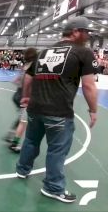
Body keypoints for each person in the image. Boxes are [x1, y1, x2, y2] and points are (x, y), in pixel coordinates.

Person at [16, 16, 98, 203]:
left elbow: (28, 78)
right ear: (76, 32)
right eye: (86, 32)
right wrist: (93, 109)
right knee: (57, 150)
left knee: (30, 140)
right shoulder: (83, 53)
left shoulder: (43, 52)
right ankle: (53, 187)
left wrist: (26, 96)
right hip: (59, 112)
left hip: (35, 109)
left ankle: (22, 169)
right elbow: (88, 86)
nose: (88, 36)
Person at [7, 48, 38, 153]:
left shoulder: (26, 66)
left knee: (22, 119)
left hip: (18, 94)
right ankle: (14, 141)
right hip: (24, 96)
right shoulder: (33, 67)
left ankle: (12, 136)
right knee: (23, 120)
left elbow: (16, 81)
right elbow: (28, 82)